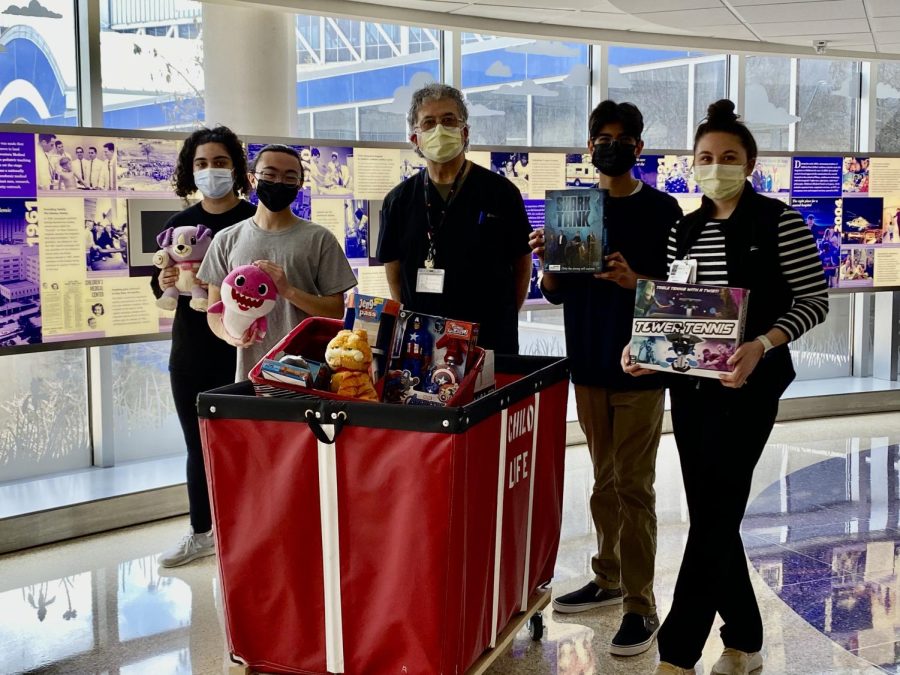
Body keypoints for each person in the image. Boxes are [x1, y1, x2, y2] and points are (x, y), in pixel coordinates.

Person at [624, 100, 829, 675]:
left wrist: (762, 343)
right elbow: (675, 311)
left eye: (729, 157)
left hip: (749, 387)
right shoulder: (682, 231)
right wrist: (647, 352)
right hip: (692, 392)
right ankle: (744, 639)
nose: (717, 166)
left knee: (715, 516)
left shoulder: (778, 222)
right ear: (693, 165)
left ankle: (678, 655)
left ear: (750, 163)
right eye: (706, 158)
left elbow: (814, 302)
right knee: (714, 515)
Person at [529, 100, 682, 657]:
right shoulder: (574, 208)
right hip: (588, 363)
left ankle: (642, 605)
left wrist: (632, 280)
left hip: (641, 366)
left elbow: (679, 297)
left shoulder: (665, 211)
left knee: (633, 486)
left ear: (639, 149)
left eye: (622, 138)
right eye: (602, 137)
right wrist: (548, 262)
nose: (610, 146)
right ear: (589, 145)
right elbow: (555, 291)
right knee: (601, 481)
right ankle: (608, 575)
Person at [154, 126, 257, 569]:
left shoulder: (256, 221)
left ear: (235, 166)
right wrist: (163, 282)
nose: (210, 170)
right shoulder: (179, 225)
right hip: (192, 353)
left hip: (246, 352)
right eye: (200, 163)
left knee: (250, 448)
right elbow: (162, 285)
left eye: (218, 161)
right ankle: (202, 532)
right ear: (189, 171)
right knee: (197, 446)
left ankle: (253, 531)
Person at [377, 83, 532, 353]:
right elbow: (394, 274)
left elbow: (522, 262)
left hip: (491, 341)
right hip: (424, 344)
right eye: (429, 123)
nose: (439, 129)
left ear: (464, 131)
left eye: (448, 120)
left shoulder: (501, 193)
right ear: (415, 138)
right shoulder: (398, 201)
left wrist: (505, 317)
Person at [199, 143, 357, 381]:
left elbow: (336, 311)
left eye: (289, 177)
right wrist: (230, 335)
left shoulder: (320, 239)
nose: (279, 182)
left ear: (299, 185)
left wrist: (288, 291)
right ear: (252, 179)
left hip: (307, 373)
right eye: (270, 174)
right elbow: (214, 310)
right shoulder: (226, 239)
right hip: (250, 373)